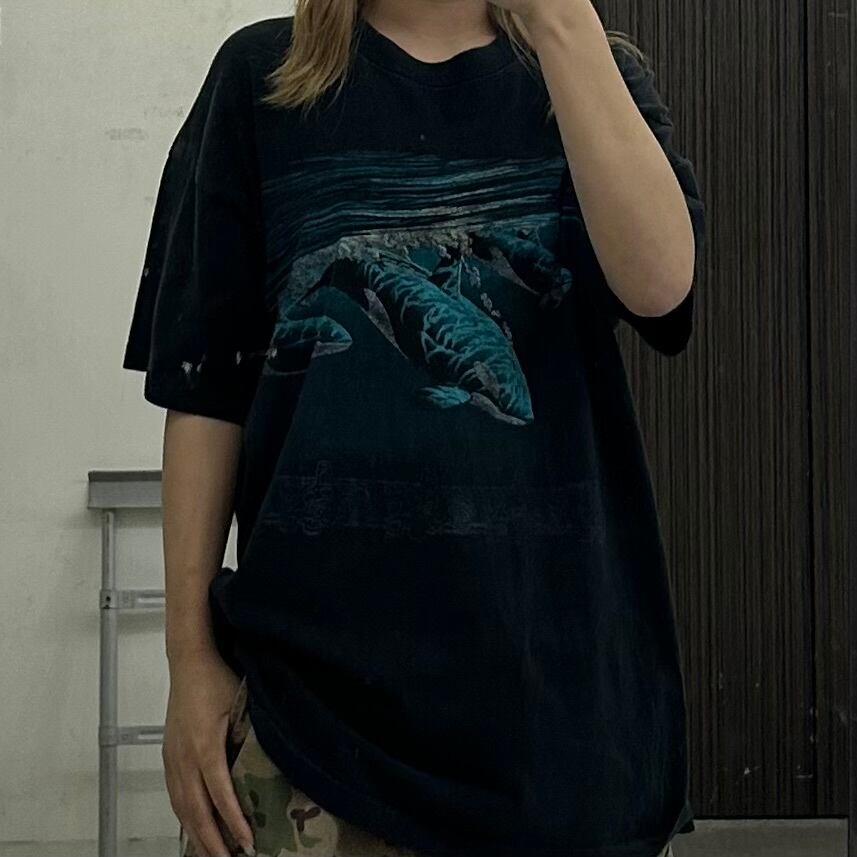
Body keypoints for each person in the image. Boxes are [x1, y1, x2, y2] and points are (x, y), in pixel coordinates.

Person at [122, 0, 705, 855]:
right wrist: (189, 661)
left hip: (563, 733)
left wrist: (560, 25)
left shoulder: (591, 74)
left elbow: (659, 287)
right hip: (308, 730)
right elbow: (206, 392)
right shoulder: (260, 79)